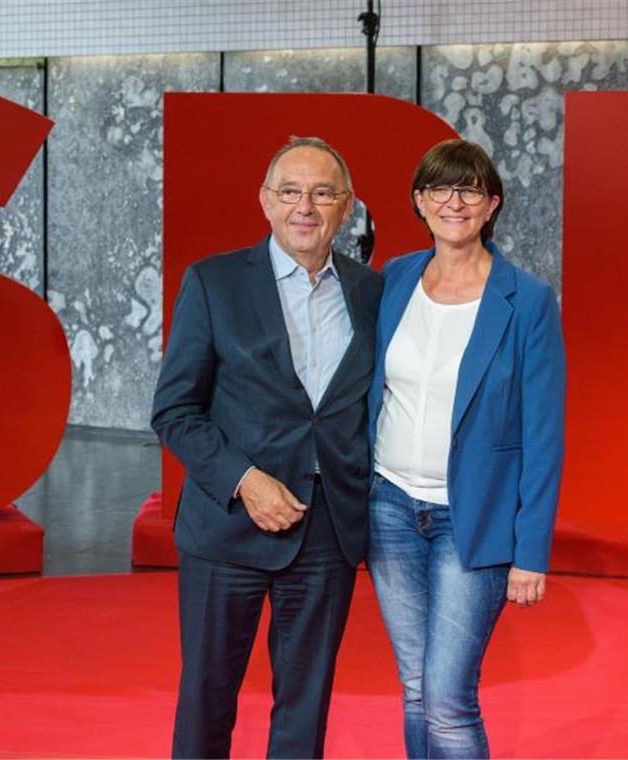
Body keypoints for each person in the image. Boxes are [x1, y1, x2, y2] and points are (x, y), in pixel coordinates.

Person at [151, 136, 382, 759]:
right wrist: (245, 479)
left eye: (323, 193)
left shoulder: (371, 293)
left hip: (326, 531)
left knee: (305, 708)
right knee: (206, 697)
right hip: (226, 528)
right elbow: (174, 409)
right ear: (265, 201)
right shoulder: (214, 282)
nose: (305, 206)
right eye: (290, 191)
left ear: (346, 205)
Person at [366, 138, 566, 758]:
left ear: (491, 204)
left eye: (469, 189)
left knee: (449, 699)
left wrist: (531, 552)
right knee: (416, 690)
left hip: (471, 523)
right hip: (389, 508)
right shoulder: (394, 279)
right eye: (438, 189)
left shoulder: (526, 300)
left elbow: (543, 432)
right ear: (418, 202)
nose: (453, 202)